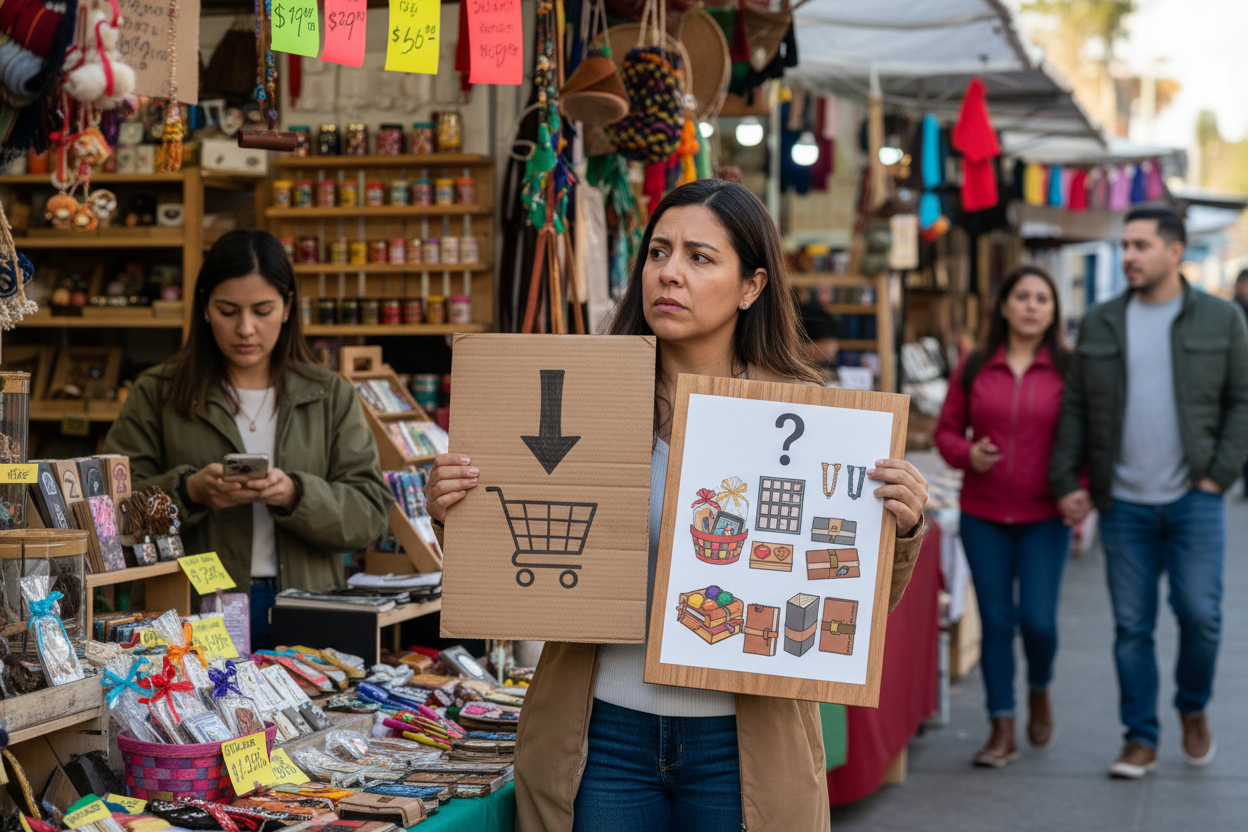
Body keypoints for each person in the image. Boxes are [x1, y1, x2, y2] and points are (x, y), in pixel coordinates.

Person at [424, 180, 931, 831]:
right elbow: (512, 562)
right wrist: (457, 509)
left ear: (751, 286)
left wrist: (902, 525)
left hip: (742, 748)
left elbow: (852, 605)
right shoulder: (580, 396)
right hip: (601, 739)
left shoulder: (806, 415)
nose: (669, 272)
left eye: (699, 257)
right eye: (658, 251)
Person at [105, 229, 392, 648]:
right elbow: (113, 509)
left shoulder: (329, 394)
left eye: (262, 310)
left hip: (307, 605)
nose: (245, 328)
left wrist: (295, 494)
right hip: (192, 607)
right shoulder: (158, 392)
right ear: (204, 307)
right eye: (227, 310)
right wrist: (188, 491)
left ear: (289, 306)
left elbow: (369, 512)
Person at [1050, 207, 1248, 779]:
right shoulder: (1104, 320)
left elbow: (1242, 399)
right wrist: (1068, 481)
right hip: (1125, 503)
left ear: (1175, 252)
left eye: (1140, 245)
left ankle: (1192, 706)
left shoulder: (1222, 318)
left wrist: (1218, 475)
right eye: (1125, 245)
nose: (1128, 255)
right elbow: (1078, 408)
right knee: (1131, 626)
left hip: (1194, 497)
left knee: (1201, 615)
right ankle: (1139, 737)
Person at [935, 265, 1071, 767]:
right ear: (1006, 305)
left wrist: (1076, 491)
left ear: (1053, 311)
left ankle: (1038, 688)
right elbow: (947, 433)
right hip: (983, 514)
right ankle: (1002, 726)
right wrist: (968, 454)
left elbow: (1080, 439)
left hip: (1044, 516)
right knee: (995, 620)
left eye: (1042, 298)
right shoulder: (974, 366)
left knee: (1037, 622)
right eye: (1023, 296)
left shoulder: (1067, 368)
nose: (1032, 305)